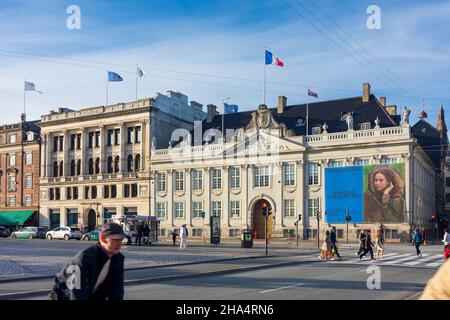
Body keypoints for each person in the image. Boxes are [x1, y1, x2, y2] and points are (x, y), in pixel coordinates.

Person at [48, 222, 125, 300]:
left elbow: (117, 292)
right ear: (103, 238)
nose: (119, 243)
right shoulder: (83, 259)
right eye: (116, 239)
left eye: (121, 239)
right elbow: (76, 293)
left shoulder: (118, 259)